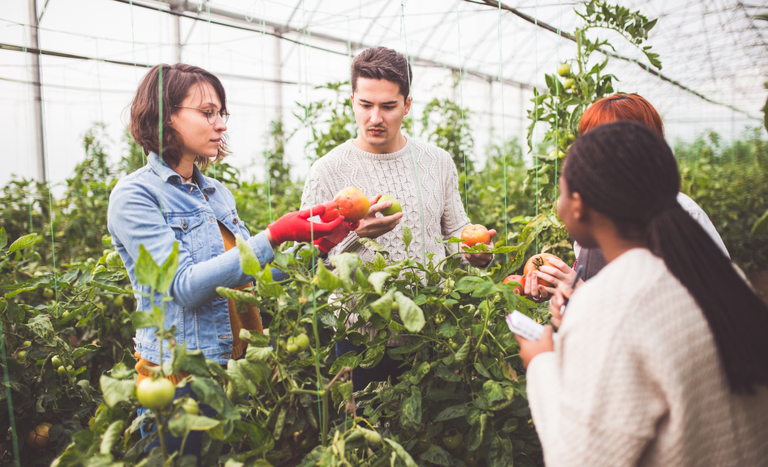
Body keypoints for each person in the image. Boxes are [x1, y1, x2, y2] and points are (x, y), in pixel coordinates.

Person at [108, 63, 345, 458]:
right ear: (166, 115)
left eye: (222, 113)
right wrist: (274, 234)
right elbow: (185, 287)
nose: (220, 125)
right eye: (207, 113)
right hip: (179, 385)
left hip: (234, 373)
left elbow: (250, 278)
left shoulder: (216, 193)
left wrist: (317, 243)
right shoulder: (135, 197)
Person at [515, 121, 768, 466]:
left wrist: (541, 362)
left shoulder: (611, 300)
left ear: (578, 205)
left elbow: (579, 458)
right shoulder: (719, 276)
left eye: (561, 192)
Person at [300, 47, 494, 391]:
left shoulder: (437, 162)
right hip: (359, 338)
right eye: (366, 105)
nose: (376, 117)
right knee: (363, 436)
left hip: (431, 329)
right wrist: (358, 234)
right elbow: (312, 260)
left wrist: (476, 251)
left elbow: (456, 230)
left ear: (407, 105)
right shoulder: (328, 171)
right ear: (353, 100)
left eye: (388, 106)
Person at [525, 94, 729, 302]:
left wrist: (584, 295)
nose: (589, 152)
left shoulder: (684, 213)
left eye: (604, 141)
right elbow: (588, 280)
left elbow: (708, 306)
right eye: (586, 140)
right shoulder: (594, 212)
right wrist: (558, 291)